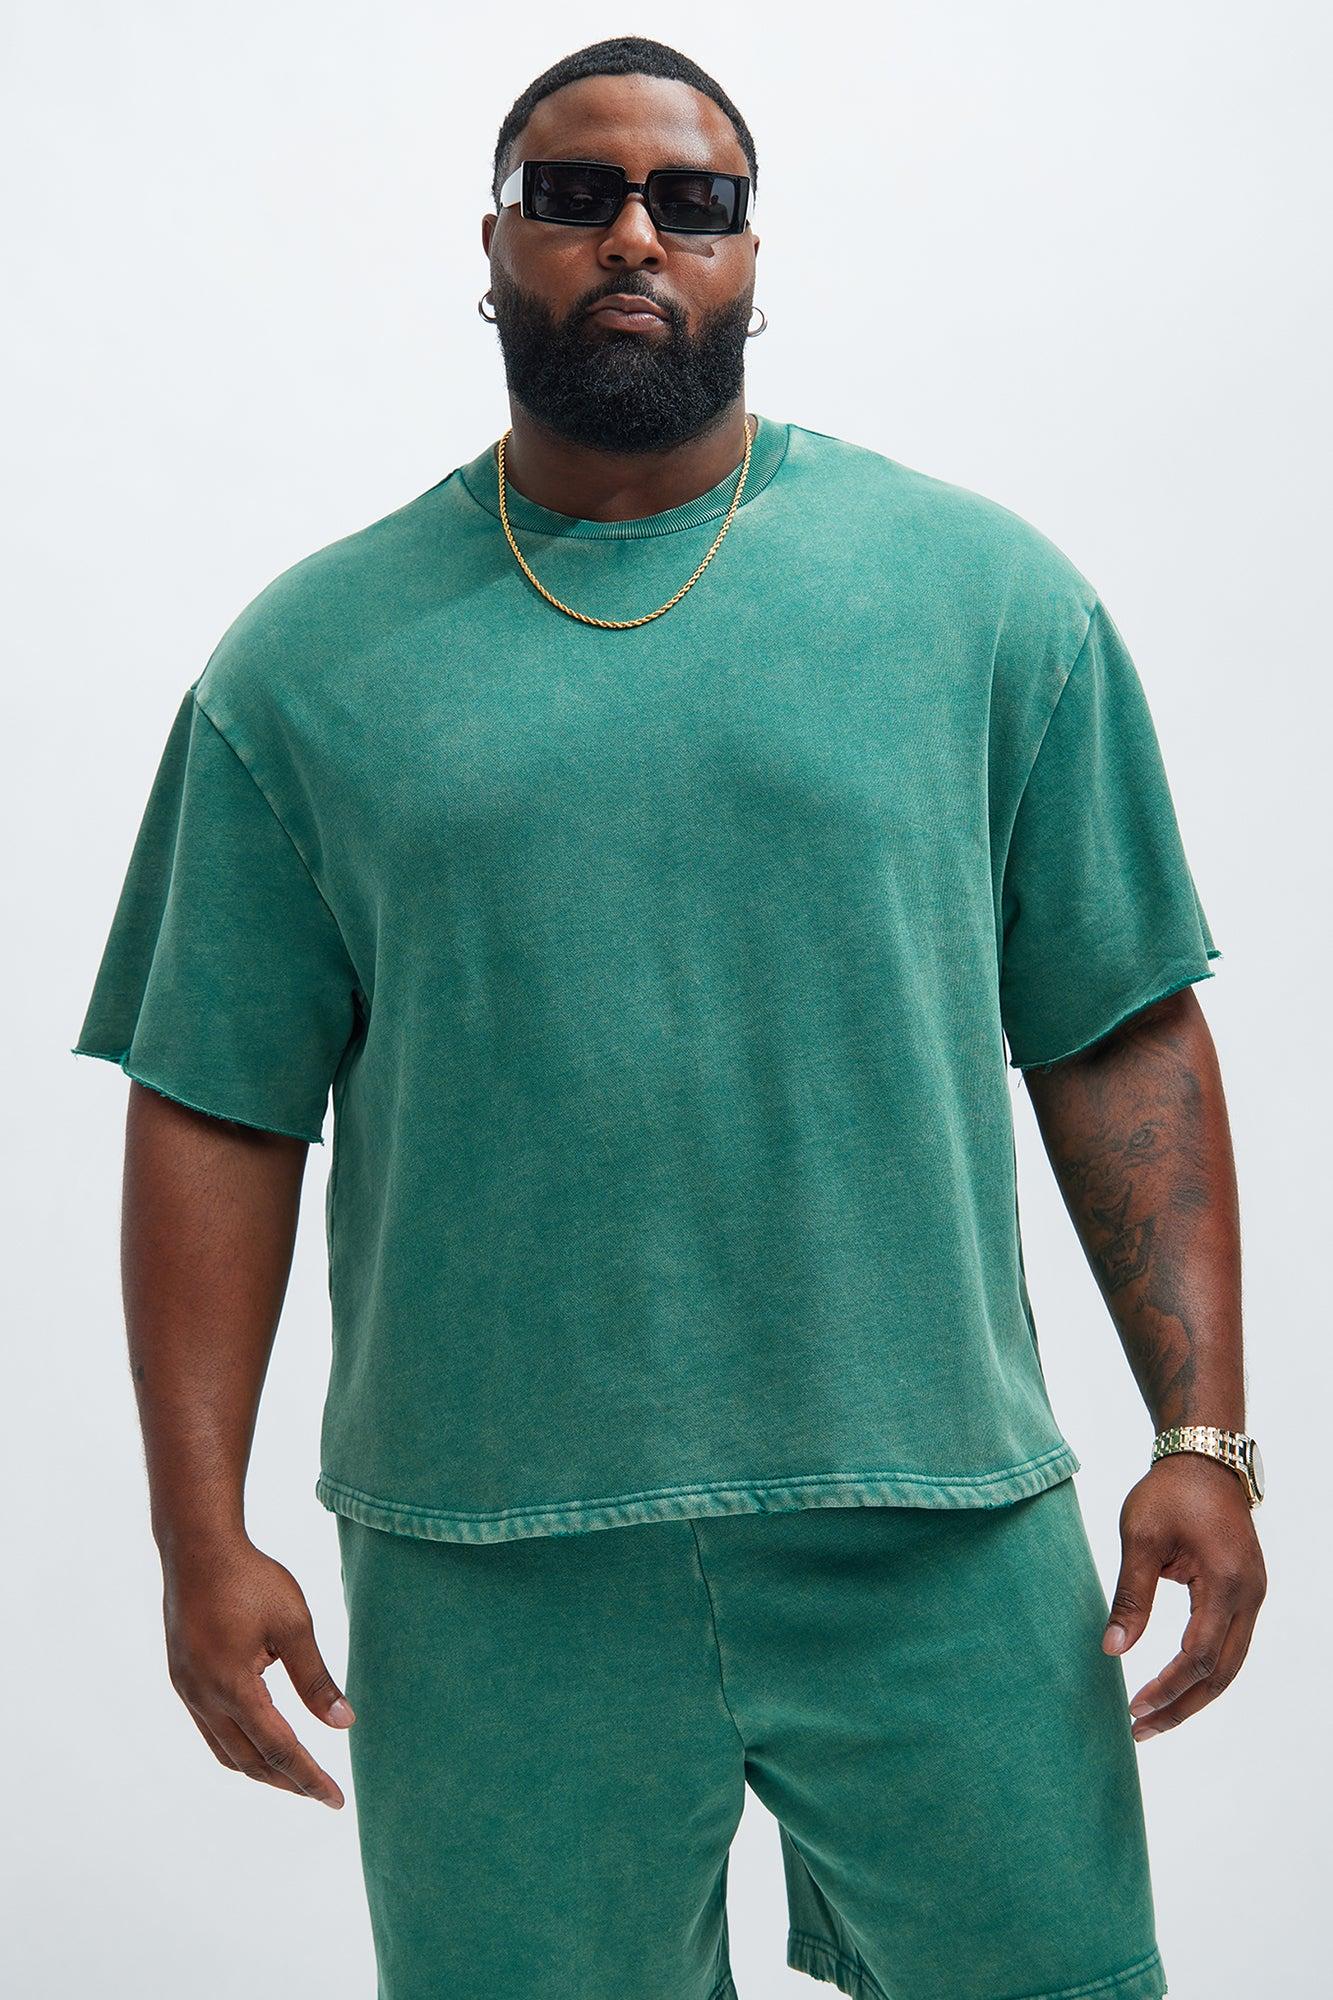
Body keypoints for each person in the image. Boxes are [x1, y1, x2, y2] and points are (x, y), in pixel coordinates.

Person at [72, 34, 1267, 2000]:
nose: (634, 235)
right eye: (574, 194)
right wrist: (199, 1538)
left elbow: (1116, 1029)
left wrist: (1202, 1430)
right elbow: (215, 1105)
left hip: (934, 1520)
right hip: (489, 1557)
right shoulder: (303, 668)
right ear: (493, 243)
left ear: (750, 256)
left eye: (690, 200)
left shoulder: (983, 603)